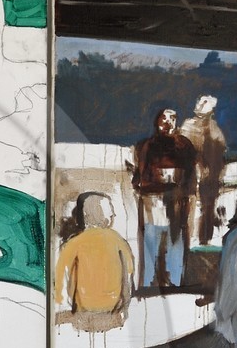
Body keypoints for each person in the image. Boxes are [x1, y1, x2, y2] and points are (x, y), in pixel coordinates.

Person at [131, 108, 196, 291]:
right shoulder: (147, 146)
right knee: (151, 242)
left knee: (175, 244)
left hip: (176, 204)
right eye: (164, 118)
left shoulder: (184, 145)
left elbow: (190, 178)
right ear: (156, 122)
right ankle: (147, 285)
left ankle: (175, 284)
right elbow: (140, 177)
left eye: (172, 118)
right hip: (153, 202)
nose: (168, 123)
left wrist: (185, 198)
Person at [54, 192, 136, 332]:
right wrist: (124, 308)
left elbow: (61, 278)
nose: (113, 215)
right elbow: (128, 274)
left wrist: (68, 306)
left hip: (83, 310)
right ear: (90, 214)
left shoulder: (72, 243)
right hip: (112, 309)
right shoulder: (117, 239)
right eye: (109, 211)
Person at [178, 94, 227, 246]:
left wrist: (215, 174)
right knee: (189, 206)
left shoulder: (215, 131)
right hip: (190, 175)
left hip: (209, 177)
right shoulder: (188, 126)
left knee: (207, 208)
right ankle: (187, 240)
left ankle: (203, 240)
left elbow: (219, 157)